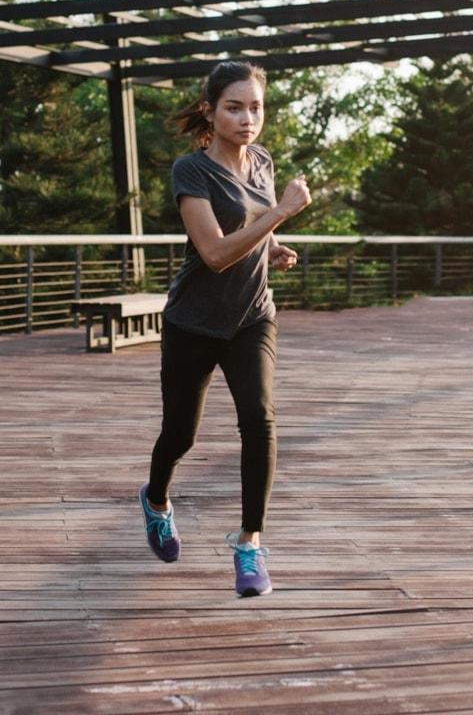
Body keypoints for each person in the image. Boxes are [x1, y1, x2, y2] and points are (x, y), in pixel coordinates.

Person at [138, 60, 310, 597]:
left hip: (252, 315)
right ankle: (157, 499)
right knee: (180, 434)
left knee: (259, 421)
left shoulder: (261, 161)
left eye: (255, 107)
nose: (247, 118)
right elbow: (212, 252)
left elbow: (247, 230)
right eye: (234, 107)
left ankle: (249, 543)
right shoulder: (191, 172)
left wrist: (271, 246)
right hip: (194, 320)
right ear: (210, 112)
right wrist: (279, 215)